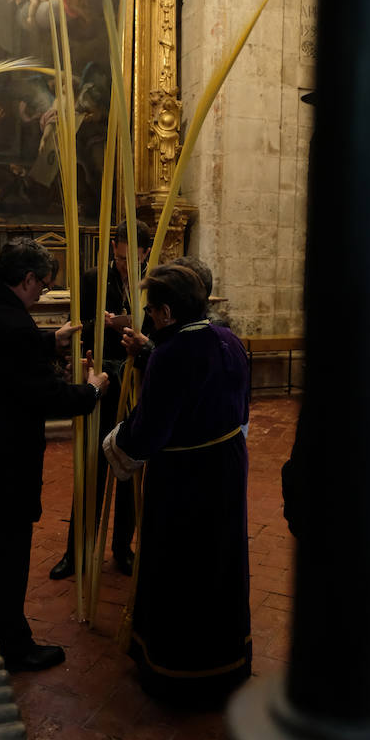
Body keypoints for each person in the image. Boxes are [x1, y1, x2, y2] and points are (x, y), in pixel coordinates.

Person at [103, 263, 251, 704]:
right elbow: (209, 390)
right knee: (220, 560)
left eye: (151, 311)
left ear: (166, 312)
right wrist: (150, 352)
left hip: (186, 479)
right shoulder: (229, 338)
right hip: (226, 465)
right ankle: (228, 662)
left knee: (181, 566)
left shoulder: (172, 353)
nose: (148, 317)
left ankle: (179, 672)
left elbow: (151, 431)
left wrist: (116, 443)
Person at [0, 238, 109, 673]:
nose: (42, 294)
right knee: (7, 559)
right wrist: (91, 390)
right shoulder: (14, 326)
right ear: (27, 278)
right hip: (2, 461)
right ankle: (14, 647)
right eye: (42, 286)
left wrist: (50, 341)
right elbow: (43, 395)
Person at [49, 220, 152, 581]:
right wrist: (88, 340)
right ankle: (76, 552)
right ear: (115, 249)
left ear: (144, 253)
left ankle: (122, 548)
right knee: (92, 469)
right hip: (101, 381)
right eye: (120, 258)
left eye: (132, 260)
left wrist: (122, 324)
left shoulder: (152, 282)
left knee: (128, 470)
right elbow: (76, 322)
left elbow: (155, 330)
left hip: (137, 386)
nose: (125, 266)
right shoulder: (93, 278)